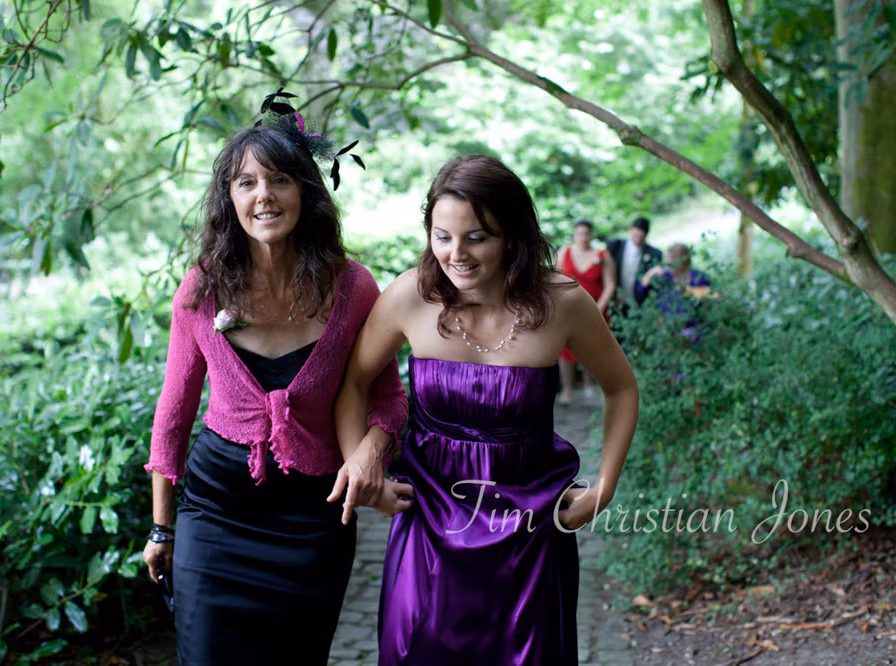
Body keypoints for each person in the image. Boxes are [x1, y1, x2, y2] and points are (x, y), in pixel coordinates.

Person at [333, 155, 639, 665]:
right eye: (442, 235)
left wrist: (605, 488)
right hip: (428, 525)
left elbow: (622, 388)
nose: (457, 254)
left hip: (532, 530)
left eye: (477, 237)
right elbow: (354, 383)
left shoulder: (562, 302)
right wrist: (361, 471)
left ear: (512, 235)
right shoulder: (411, 295)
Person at [141, 92, 408, 666]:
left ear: (304, 193)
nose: (264, 195)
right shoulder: (202, 289)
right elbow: (174, 413)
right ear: (229, 199)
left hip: (313, 525)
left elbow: (387, 396)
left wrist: (368, 456)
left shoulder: (353, 287)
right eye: (246, 183)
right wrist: (162, 529)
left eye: (280, 179)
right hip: (215, 517)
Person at [556, 219, 616, 404]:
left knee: (593, 347)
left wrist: (599, 307)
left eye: (586, 233)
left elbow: (610, 284)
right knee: (565, 350)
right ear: (574, 235)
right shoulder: (564, 252)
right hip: (569, 311)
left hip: (596, 309)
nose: (583, 237)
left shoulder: (602, 254)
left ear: (592, 235)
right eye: (580, 233)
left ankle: (590, 383)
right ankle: (567, 389)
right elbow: (555, 279)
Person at [638, 242, 713, 341]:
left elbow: (711, 301)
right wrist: (649, 274)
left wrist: (694, 293)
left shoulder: (698, 278)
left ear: (681, 262)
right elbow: (640, 291)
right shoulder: (665, 277)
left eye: (670, 263)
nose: (667, 266)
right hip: (668, 330)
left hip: (694, 330)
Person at [606, 216, 662, 309]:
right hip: (616, 300)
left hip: (640, 303)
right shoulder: (616, 246)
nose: (638, 238)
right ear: (630, 229)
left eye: (642, 236)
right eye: (636, 235)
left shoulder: (654, 254)